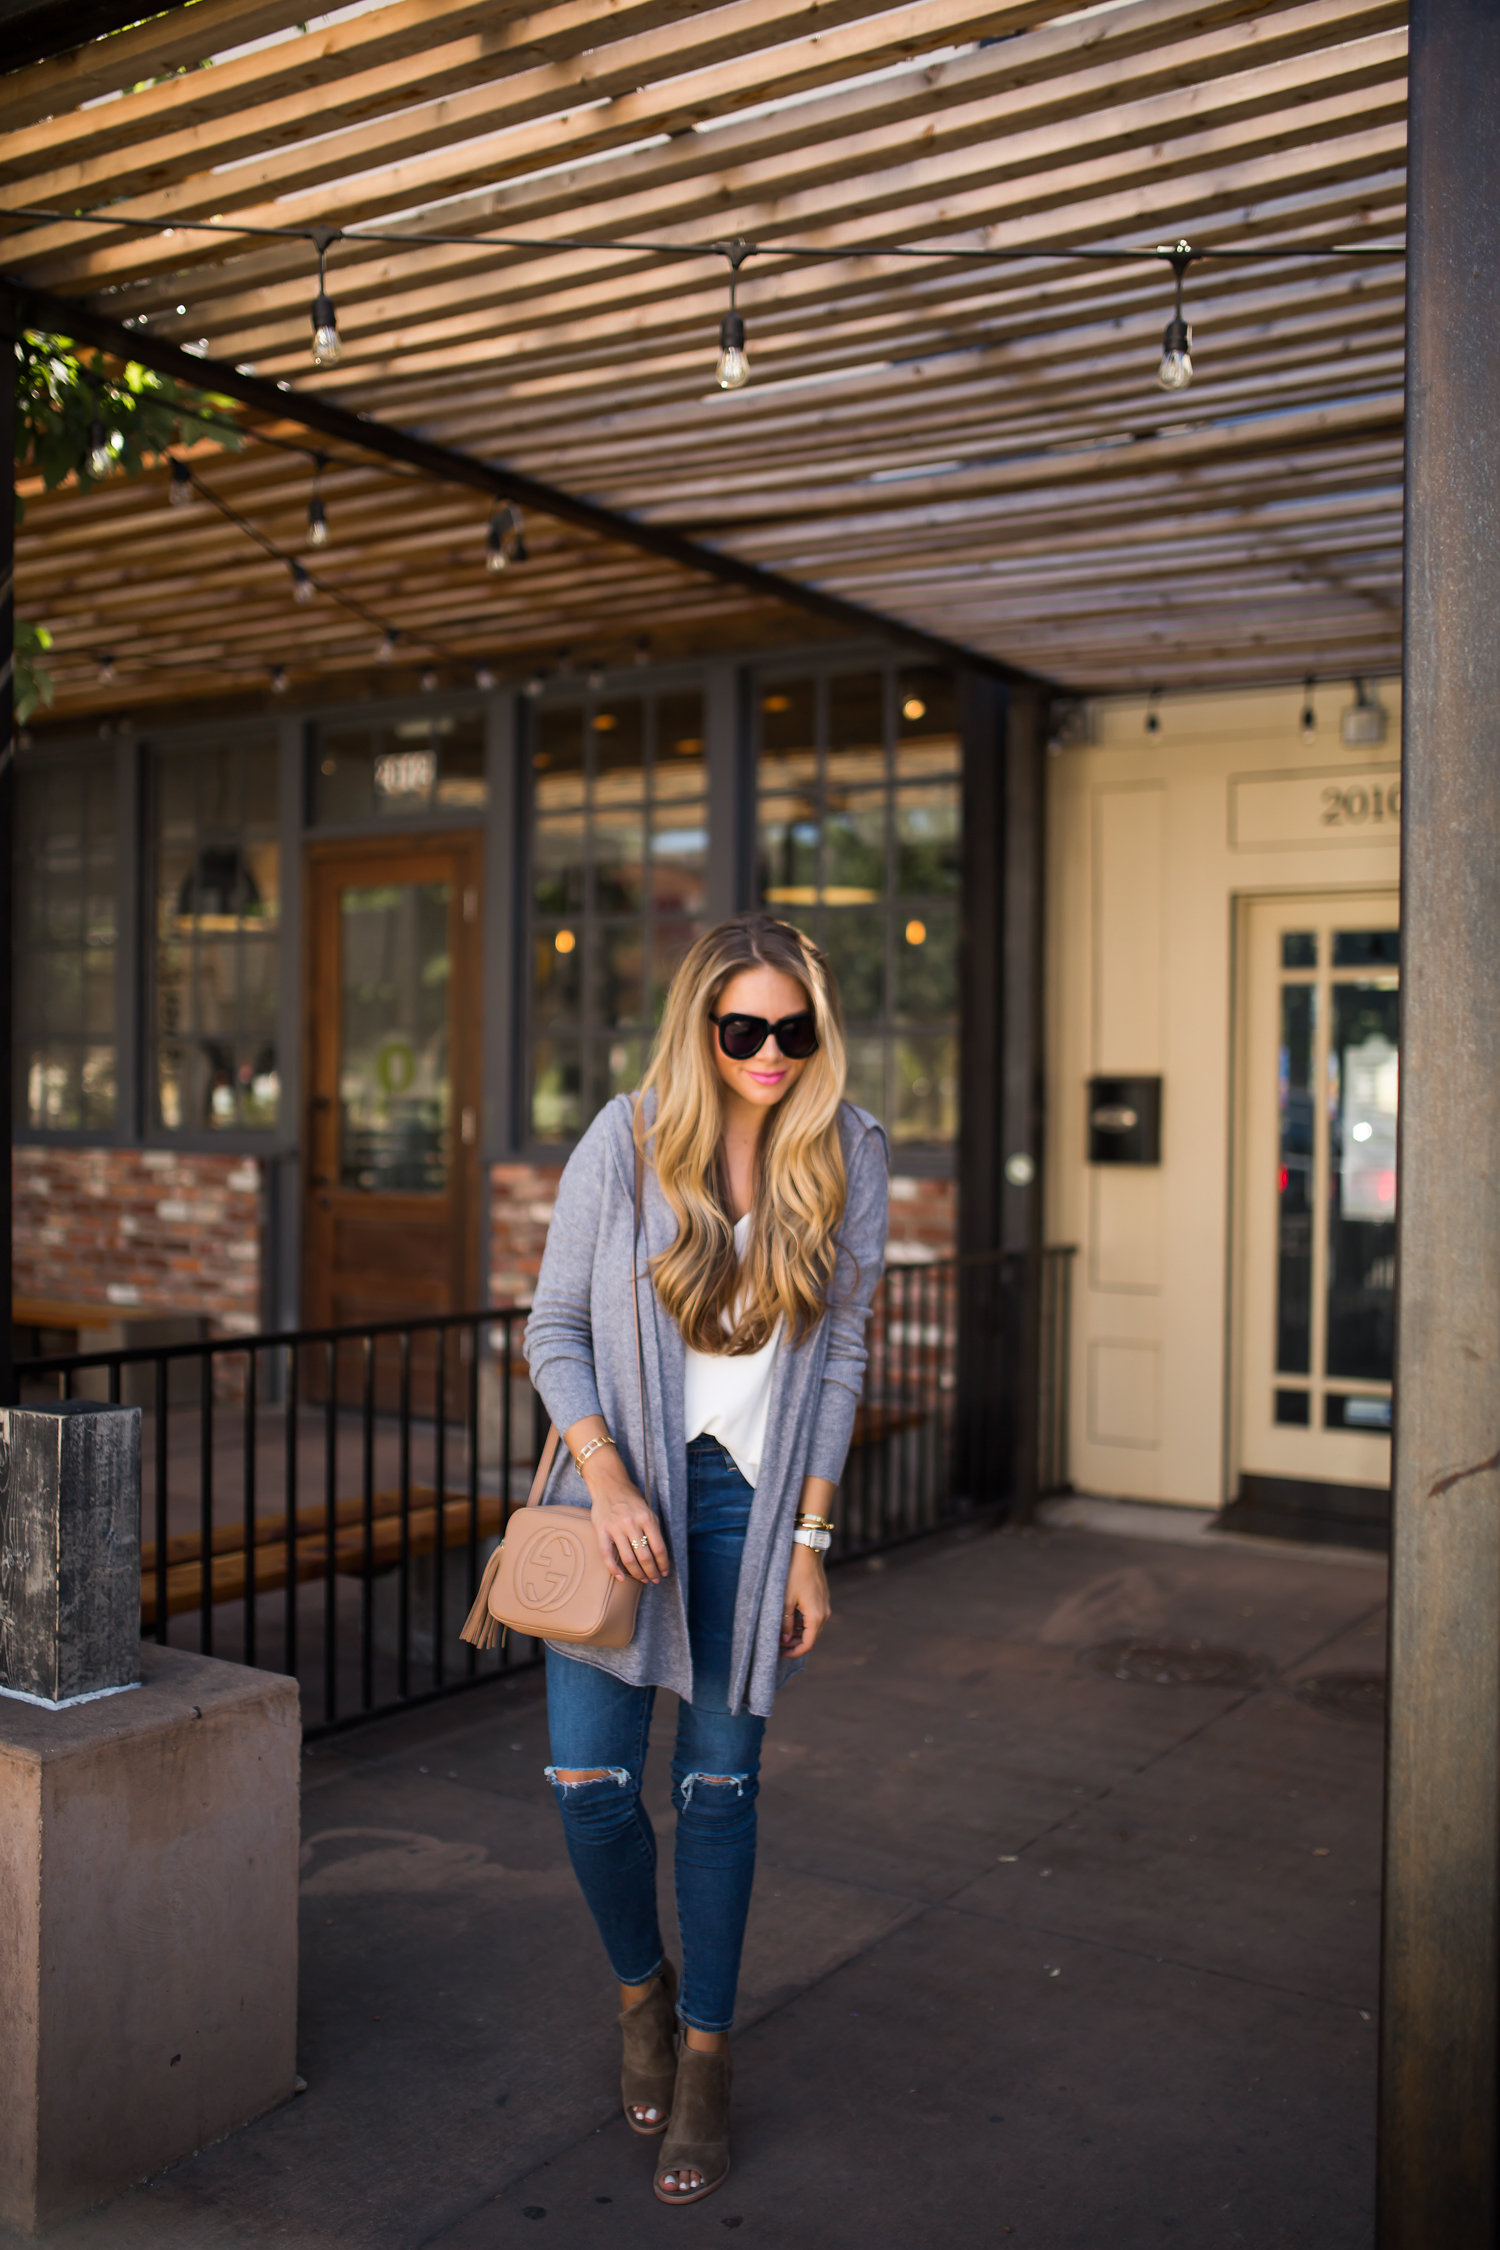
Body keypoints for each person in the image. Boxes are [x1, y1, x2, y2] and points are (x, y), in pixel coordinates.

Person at [522, 912, 889, 2206]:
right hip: (620, 1496)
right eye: (747, 1029)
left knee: (721, 1794)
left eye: (796, 1030)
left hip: (751, 1508)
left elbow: (841, 1351)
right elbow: (553, 1327)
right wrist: (609, 1474)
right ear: (701, 1025)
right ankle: (643, 1991)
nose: (773, 1052)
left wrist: (812, 1539)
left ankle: (709, 2058)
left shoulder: (847, 1152)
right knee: (588, 1782)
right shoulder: (623, 1140)